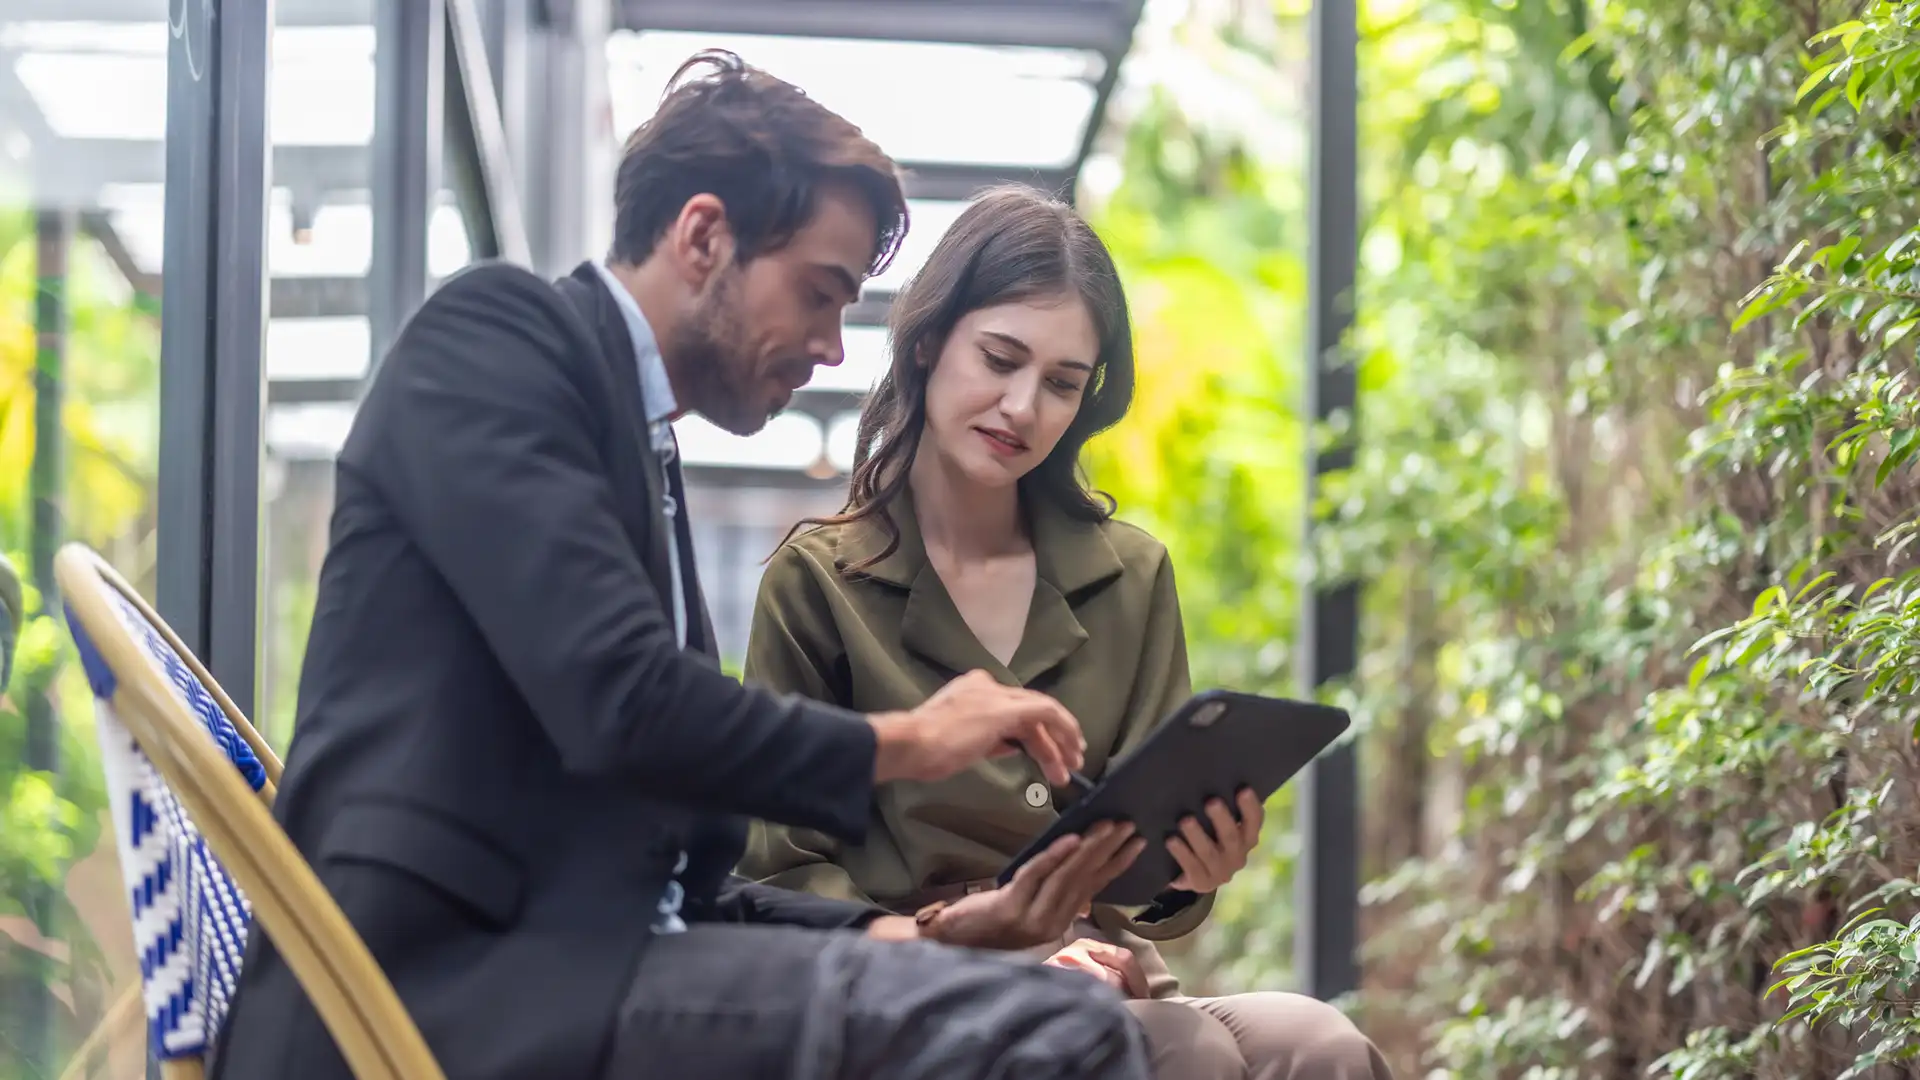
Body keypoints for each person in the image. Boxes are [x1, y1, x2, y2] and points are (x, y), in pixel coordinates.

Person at [210, 53, 1158, 1080]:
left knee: (1017, 999)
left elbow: (680, 877)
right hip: (431, 992)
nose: (835, 349)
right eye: (819, 293)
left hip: (584, 972)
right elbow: (623, 701)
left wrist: (934, 934)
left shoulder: (643, 450)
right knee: (1053, 1033)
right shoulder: (494, 340)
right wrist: (913, 740)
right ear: (703, 235)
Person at [740, 186, 1395, 1080]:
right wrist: (997, 949)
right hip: (912, 985)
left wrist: (1188, 872)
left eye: (1060, 383)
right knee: (1189, 1056)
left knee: (1321, 1045)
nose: (1022, 408)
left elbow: (1147, 875)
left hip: (1105, 972)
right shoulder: (820, 582)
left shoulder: (1127, 575)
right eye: (1000, 359)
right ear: (929, 340)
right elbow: (782, 873)